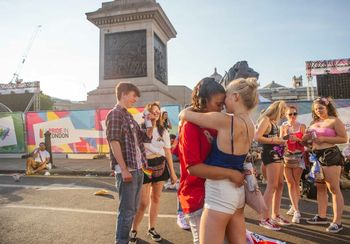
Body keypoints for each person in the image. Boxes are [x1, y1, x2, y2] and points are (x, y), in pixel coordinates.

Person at [180, 77, 259, 244]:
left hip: (220, 194)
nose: (222, 108)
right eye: (218, 104)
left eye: (223, 104)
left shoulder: (218, 122)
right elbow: (193, 168)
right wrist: (231, 173)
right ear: (203, 101)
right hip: (199, 196)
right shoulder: (191, 126)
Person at [106, 82, 155, 244]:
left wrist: (151, 123)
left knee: (132, 210)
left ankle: (124, 240)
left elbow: (144, 137)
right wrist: (124, 169)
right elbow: (114, 142)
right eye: (134, 95)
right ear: (124, 94)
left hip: (138, 169)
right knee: (127, 211)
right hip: (128, 170)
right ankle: (121, 241)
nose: (135, 99)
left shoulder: (129, 116)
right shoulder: (115, 114)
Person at [129, 102, 178, 243]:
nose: (156, 112)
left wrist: (173, 173)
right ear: (146, 113)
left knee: (156, 198)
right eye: (152, 111)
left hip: (160, 165)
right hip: (145, 166)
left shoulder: (164, 131)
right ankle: (134, 229)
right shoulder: (141, 129)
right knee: (143, 202)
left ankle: (152, 228)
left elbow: (168, 152)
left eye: (158, 110)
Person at [303, 97, 347, 233]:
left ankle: (337, 222)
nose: (318, 111)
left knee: (333, 189)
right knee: (320, 188)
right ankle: (322, 216)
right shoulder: (314, 122)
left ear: (327, 107)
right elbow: (308, 142)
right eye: (316, 109)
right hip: (315, 157)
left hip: (330, 155)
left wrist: (324, 139)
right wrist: (305, 140)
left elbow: (344, 138)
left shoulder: (334, 120)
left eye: (320, 108)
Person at [255, 101, 290, 230]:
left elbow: (273, 137)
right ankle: (264, 218)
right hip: (270, 153)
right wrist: (275, 140)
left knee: (280, 184)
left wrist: (281, 140)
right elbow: (257, 137)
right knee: (272, 186)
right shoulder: (265, 119)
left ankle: (275, 215)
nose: (283, 115)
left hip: (277, 153)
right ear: (277, 110)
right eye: (282, 112)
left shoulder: (274, 122)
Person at [279, 105, 306, 224]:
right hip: (286, 157)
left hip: (299, 157)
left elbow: (306, 142)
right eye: (290, 114)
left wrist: (298, 139)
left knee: (296, 183)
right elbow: (280, 141)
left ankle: (295, 209)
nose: (293, 116)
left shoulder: (302, 126)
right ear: (286, 115)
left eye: (295, 114)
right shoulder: (283, 126)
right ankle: (296, 209)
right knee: (290, 184)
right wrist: (285, 137)